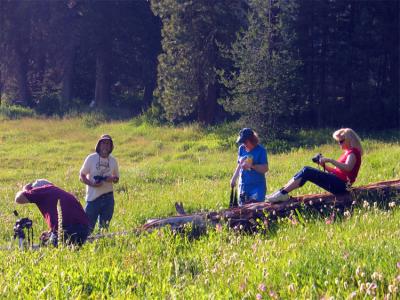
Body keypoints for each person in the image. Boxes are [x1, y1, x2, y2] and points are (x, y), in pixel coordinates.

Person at [266, 128, 363, 202]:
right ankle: (281, 192)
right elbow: (338, 172)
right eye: (338, 141)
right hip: (339, 183)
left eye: (341, 141)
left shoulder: (353, 152)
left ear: (349, 140)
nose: (339, 144)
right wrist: (322, 165)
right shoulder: (348, 152)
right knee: (305, 170)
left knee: (307, 171)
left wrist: (330, 160)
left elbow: (348, 168)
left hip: (342, 186)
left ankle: (282, 194)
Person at [15, 179, 90, 246]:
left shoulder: (42, 190)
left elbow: (18, 199)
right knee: (48, 239)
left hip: (68, 230)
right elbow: (66, 217)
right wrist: (51, 232)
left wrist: (24, 190)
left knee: (47, 248)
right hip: (84, 230)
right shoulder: (60, 192)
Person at [80, 134, 119, 233]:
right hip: (93, 199)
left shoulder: (113, 161)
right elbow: (81, 176)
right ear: (99, 145)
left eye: (108, 144)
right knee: (87, 228)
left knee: (104, 229)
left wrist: (112, 179)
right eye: (103, 143)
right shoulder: (91, 158)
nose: (105, 146)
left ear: (111, 147)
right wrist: (92, 184)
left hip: (108, 198)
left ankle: (101, 245)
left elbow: (117, 179)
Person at [230, 128, 268, 206]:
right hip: (243, 186)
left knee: (256, 210)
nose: (244, 144)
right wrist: (234, 178)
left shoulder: (261, 151)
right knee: (242, 211)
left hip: (257, 186)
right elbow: (239, 164)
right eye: (242, 142)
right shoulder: (241, 148)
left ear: (252, 140)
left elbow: (265, 168)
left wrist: (252, 166)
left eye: (245, 142)